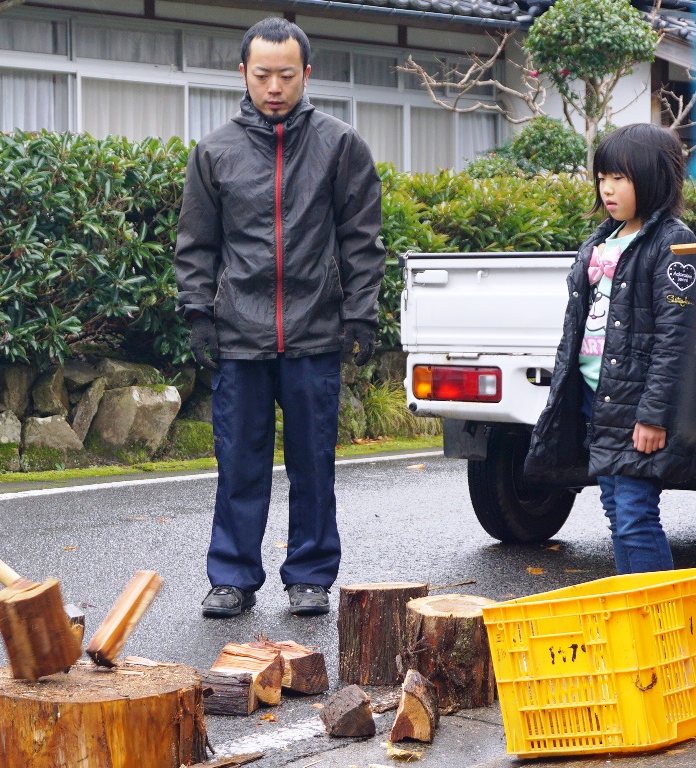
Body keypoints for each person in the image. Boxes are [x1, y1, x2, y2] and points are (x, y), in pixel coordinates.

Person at [174, 17, 385, 618]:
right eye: (262, 74)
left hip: (316, 330)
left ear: (306, 75)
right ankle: (232, 577)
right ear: (243, 73)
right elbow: (196, 245)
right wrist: (198, 316)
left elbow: (362, 239)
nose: (274, 86)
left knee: (313, 462)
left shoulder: (340, 145)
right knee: (238, 464)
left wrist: (360, 315)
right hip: (239, 332)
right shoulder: (215, 151)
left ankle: (310, 574)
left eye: (286, 75)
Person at [526, 124, 696, 575]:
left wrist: (653, 415)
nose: (608, 188)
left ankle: (657, 629)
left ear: (656, 178)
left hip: (636, 404)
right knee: (617, 510)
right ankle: (638, 617)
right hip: (596, 396)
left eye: (620, 178)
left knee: (634, 516)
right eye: (603, 177)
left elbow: (676, 341)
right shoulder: (603, 239)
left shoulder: (675, 244)